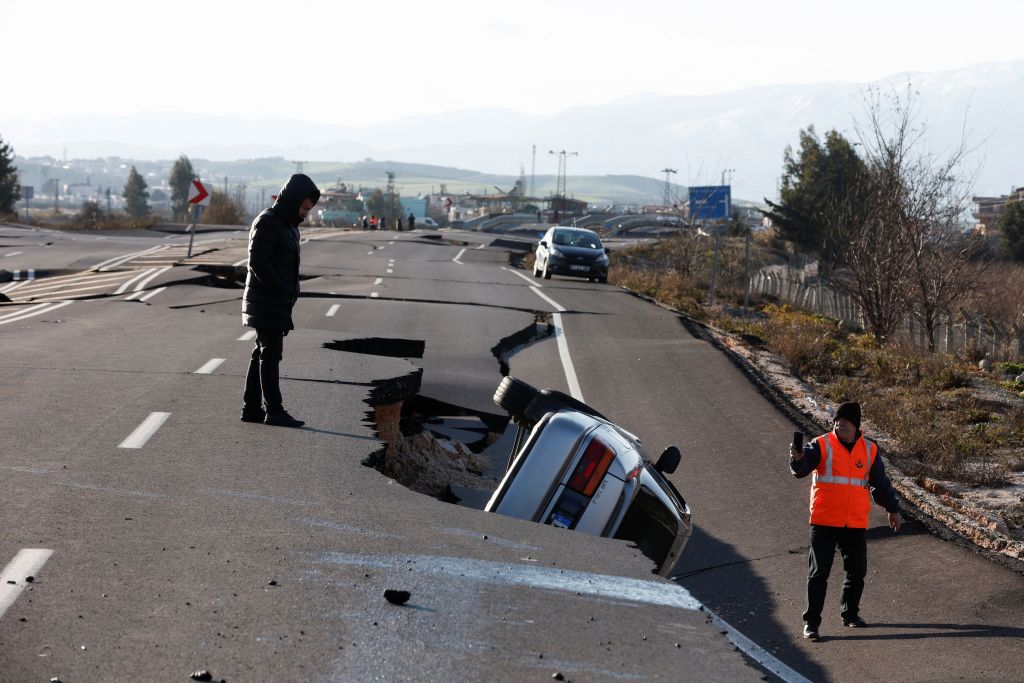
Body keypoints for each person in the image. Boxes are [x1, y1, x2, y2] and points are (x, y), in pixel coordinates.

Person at [789, 401, 903, 640]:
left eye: (845, 424)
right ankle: (811, 623)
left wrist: (893, 509)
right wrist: (798, 459)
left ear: (856, 426)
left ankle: (850, 613)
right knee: (819, 573)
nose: (840, 427)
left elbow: (880, 484)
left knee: (857, 571)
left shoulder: (869, 450)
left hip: (854, 523)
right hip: (824, 522)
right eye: (837, 424)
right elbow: (802, 468)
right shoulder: (821, 445)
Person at [241, 173, 320, 428]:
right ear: (293, 200)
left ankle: (251, 408)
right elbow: (258, 264)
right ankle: (274, 410)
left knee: (261, 352)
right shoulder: (268, 222)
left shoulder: (288, 226)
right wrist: (279, 291)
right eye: (304, 207)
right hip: (267, 300)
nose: (306, 213)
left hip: (276, 302)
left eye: (308, 209)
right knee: (270, 354)